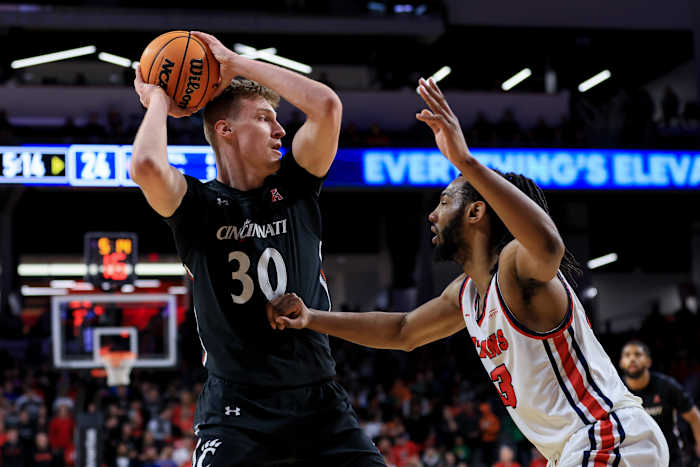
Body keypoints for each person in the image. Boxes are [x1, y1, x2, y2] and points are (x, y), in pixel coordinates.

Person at [267, 77, 670, 466]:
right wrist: (312, 318)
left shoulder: (515, 266)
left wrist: (465, 161)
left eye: (444, 201)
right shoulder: (467, 293)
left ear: (476, 212)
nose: (432, 213)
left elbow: (549, 246)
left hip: (605, 436)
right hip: (576, 447)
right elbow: (403, 331)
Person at [131, 30, 383, 466]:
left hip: (318, 401)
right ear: (225, 130)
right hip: (236, 411)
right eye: (265, 117)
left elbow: (326, 107)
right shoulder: (197, 206)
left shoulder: (297, 185)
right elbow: (147, 165)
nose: (281, 128)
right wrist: (158, 100)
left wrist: (234, 63)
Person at [620, 340, 700, 467]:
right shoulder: (616, 391)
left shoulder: (666, 386)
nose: (632, 359)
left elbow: (694, 416)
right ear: (621, 363)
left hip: (671, 456)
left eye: (637, 354)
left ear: (648, 361)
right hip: (634, 460)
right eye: (627, 355)